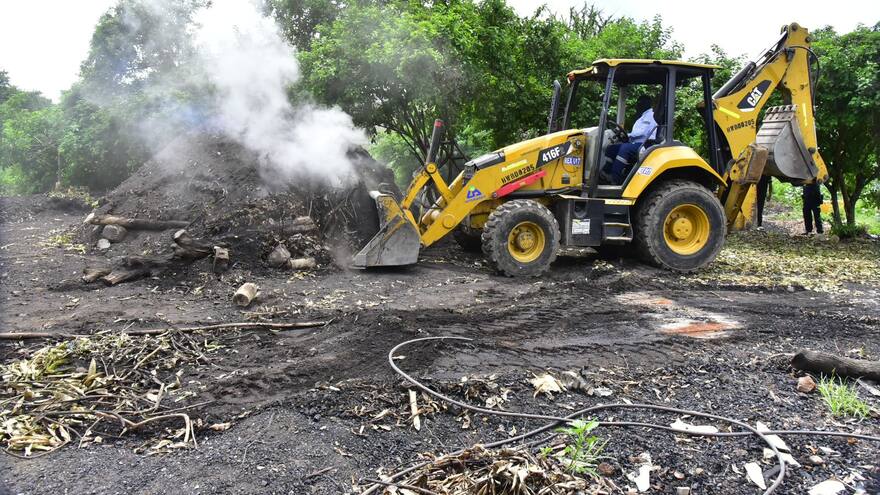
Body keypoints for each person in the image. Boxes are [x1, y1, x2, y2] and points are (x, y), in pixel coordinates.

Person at [602, 95, 657, 184]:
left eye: (639, 103)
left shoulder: (650, 116)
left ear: (646, 103)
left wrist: (628, 135)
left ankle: (615, 177)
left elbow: (642, 132)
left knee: (625, 149)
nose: (637, 105)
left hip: (645, 144)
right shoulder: (643, 116)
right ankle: (605, 173)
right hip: (637, 143)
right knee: (611, 148)